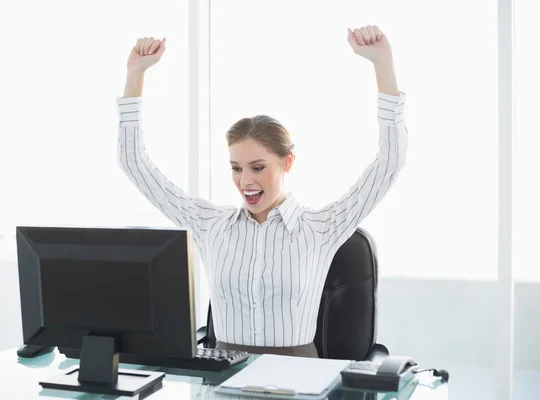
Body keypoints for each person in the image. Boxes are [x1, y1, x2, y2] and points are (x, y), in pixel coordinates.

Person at [117, 25, 407, 358]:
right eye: (236, 169)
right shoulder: (210, 225)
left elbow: (389, 163)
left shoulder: (323, 227)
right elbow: (133, 163)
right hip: (222, 379)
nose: (245, 182)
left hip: (298, 379)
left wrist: (382, 64)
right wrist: (134, 74)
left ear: (287, 162)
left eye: (258, 167)